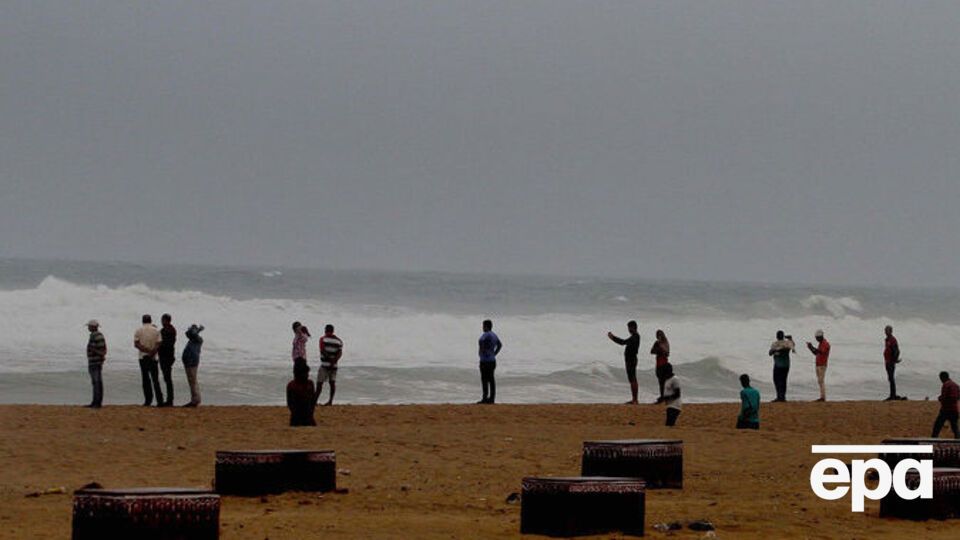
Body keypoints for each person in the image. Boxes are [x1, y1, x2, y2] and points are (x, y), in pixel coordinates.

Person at [134, 314, 164, 406]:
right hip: (153, 357)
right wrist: (152, 351)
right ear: (151, 321)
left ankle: (148, 400)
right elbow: (159, 343)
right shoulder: (156, 330)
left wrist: (146, 350)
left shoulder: (138, 330)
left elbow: (136, 344)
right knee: (155, 379)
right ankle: (160, 401)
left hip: (143, 357)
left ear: (143, 321)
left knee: (145, 379)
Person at [607, 321, 640, 404]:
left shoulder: (635, 337)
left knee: (632, 379)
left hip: (631, 359)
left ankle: (635, 399)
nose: (628, 329)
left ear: (633, 327)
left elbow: (623, 342)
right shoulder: (634, 336)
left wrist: (613, 337)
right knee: (632, 379)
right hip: (631, 359)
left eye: (629, 328)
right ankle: (634, 399)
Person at [316, 324, 343, 406]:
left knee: (319, 384)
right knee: (332, 383)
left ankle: (315, 401)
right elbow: (340, 353)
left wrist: (329, 360)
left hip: (324, 365)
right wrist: (334, 361)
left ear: (325, 330)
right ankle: (330, 401)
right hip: (334, 366)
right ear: (333, 331)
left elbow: (322, 351)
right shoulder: (339, 341)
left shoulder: (323, 339)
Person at [478, 319, 503, 404]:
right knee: (491, 379)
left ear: (486, 326)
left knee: (484, 379)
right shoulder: (494, 335)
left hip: (485, 360)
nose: (482, 327)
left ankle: (485, 398)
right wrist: (494, 353)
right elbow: (500, 345)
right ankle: (492, 398)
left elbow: (481, 341)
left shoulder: (486, 335)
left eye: (483, 326)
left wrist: (481, 351)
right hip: (492, 360)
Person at [286, 358, 317, 426]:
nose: (307, 375)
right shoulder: (309, 384)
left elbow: (290, 404)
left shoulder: (291, 385)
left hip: (296, 419)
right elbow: (313, 403)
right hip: (308, 417)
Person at [181, 324, 204, 407]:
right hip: (189, 362)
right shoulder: (193, 339)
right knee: (192, 381)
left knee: (193, 381)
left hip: (192, 362)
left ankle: (195, 400)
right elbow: (188, 333)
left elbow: (191, 333)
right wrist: (197, 330)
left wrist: (197, 330)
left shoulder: (197, 339)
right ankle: (195, 399)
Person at [85, 320, 107, 408]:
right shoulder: (97, 335)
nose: (88, 327)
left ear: (93, 327)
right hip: (96, 361)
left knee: (96, 382)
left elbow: (102, 350)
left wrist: (92, 350)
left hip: (95, 361)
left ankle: (96, 403)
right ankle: (96, 402)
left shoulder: (96, 335)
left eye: (89, 326)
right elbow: (104, 349)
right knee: (97, 382)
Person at [768, 331, 795, 402]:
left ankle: (779, 396)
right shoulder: (787, 343)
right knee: (783, 381)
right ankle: (782, 397)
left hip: (778, 365)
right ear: (783, 336)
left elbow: (770, 353)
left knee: (776, 380)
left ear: (777, 336)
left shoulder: (775, 344)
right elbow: (793, 345)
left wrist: (774, 351)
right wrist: (791, 339)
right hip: (786, 365)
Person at [932, 371, 959, 439]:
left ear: (943, 377)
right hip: (954, 409)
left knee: (937, 426)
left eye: (940, 378)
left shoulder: (946, 385)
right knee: (955, 427)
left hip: (946, 409)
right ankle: (958, 441)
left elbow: (944, 397)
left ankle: (933, 440)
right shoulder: (956, 385)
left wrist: (940, 398)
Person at [157, 313, 177, 407]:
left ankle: (170, 400)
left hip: (166, 357)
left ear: (166, 320)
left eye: (163, 320)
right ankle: (170, 399)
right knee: (167, 378)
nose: (162, 322)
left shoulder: (168, 331)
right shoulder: (170, 329)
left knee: (167, 378)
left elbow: (165, 344)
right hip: (168, 356)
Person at [806, 329, 831, 402]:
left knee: (821, 381)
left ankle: (823, 397)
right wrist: (810, 348)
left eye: (817, 338)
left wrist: (812, 346)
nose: (816, 339)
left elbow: (820, 352)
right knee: (820, 381)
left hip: (822, 365)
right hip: (818, 364)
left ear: (820, 337)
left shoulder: (825, 344)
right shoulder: (821, 344)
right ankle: (822, 396)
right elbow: (816, 353)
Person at [884, 325, 903, 401]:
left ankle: (893, 395)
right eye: (885, 330)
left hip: (891, 362)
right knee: (890, 378)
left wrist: (894, 360)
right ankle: (892, 394)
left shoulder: (893, 340)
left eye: (887, 330)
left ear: (891, 331)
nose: (885, 332)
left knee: (891, 378)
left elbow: (897, 350)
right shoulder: (887, 340)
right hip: (887, 361)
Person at [651, 329, 671, 401]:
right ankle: (662, 396)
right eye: (657, 335)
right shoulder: (657, 343)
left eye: (659, 335)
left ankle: (665, 396)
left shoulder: (665, 342)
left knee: (664, 381)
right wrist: (658, 349)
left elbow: (667, 353)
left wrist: (660, 348)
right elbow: (652, 351)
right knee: (660, 381)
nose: (658, 337)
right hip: (659, 363)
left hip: (664, 363)